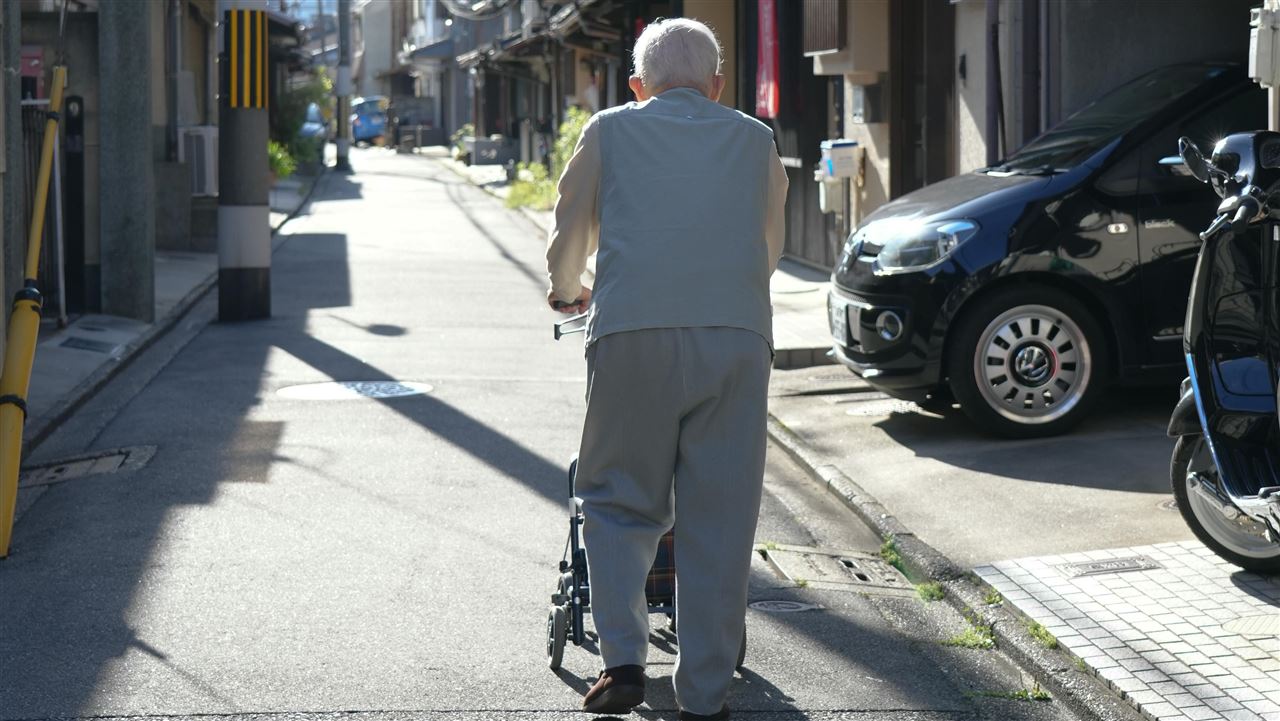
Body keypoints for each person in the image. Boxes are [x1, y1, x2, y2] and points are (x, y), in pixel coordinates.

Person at [544, 17, 787, 721]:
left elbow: (570, 226)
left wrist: (567, 289)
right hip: (736, 339)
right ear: (718, 85)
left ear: (637, 85)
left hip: (631, 336)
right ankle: (705, 697)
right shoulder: (755, 138)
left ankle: (623, 660)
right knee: (719, 517)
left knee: (619, 500)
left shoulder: (612, 130)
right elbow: (767, 241)